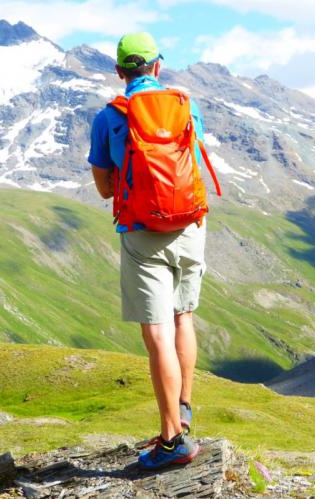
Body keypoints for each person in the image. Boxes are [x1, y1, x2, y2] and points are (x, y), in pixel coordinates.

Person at [88, 32, 214, 470]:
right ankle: (182, 410)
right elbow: (193, 158)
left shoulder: (110, 116)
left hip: (142, 232)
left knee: (156, 332)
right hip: (190, 225)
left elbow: (105, 186)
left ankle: (171, 441)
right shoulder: (185, 104)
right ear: (158, 67)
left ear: (120, 72)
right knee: (183, 318)